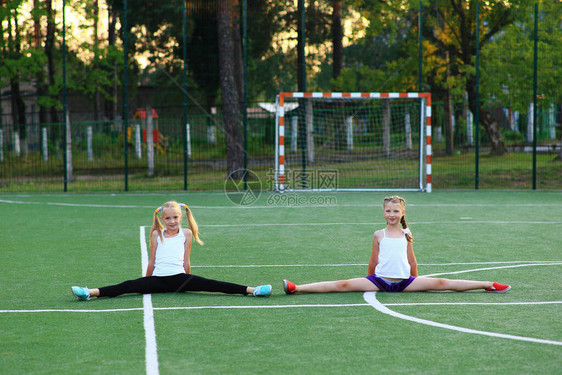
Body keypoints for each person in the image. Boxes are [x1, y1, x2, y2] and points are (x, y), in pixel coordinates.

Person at [283, 195, 510, 295]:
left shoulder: (406, 233)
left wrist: (416, 280)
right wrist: (368, 280)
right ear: (383, 213)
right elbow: (373, 261)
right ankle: (298, 288)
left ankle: (488, 284)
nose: (392, 214)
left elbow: (412, 260)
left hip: (404, 283)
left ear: (402, 212)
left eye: (395, 211)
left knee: (442, 283)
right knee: (341, 285)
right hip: (379, 282)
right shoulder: (378, 234)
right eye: (388, 211)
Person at [72, 201, 271, 300]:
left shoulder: (186, 234)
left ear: (181, 218)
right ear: (162, 219)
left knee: (213, 284)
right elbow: (151, 261)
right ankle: (90, 292)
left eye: (175, 217)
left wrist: (188, 280)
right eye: (168, 218)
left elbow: (186, 261)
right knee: (128, 285)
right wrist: (145, 281)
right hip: (157, 280)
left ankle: (252, 290)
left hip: (179, 278)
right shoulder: (155, 235)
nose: (172, 221)